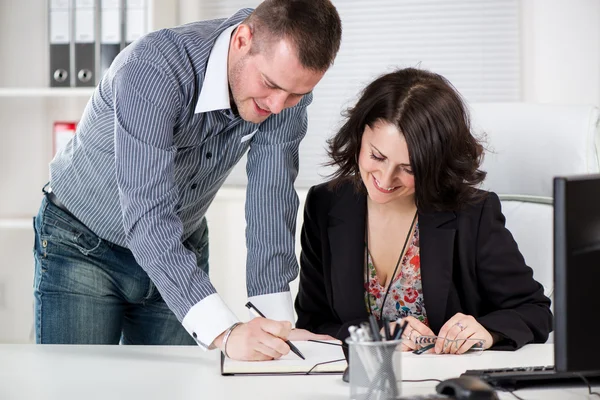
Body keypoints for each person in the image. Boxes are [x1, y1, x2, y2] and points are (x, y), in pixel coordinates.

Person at [33, 0, 341, 361]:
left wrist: (277, 326)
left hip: (180, 245)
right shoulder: (152, 69)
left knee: (170, 390)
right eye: (270, 85)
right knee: (77, 386)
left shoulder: (285, 86)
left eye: (296, 95)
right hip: (82, 244)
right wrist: (226, 333)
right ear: (242, 39)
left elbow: (271, 197)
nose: (277, 106)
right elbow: (147, 215)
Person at [294, 68, 552, 353]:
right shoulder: (325, 203)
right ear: (359, 135)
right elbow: (313, 322)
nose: (385, 178)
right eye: (377, 156)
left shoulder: (473, 214)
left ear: (435, 164)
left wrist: (488, 331)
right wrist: (376, 335)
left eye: (408, 169)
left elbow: (535, 311)